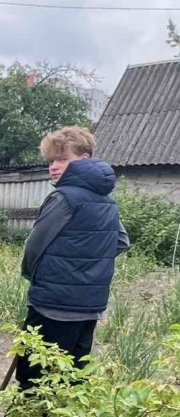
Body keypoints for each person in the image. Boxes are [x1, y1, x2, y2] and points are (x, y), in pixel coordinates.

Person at [17, 126, 129, 391]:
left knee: (33, 379)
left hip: (52, 305)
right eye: (51, 161)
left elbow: (34, 248)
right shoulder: (106, 200)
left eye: (62, 159)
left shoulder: (63, 198)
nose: (53, 167)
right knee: (73, 380)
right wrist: (87, 263)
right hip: (90, 307)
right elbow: (122, 241)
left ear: (85, 158)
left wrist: (33, 275)